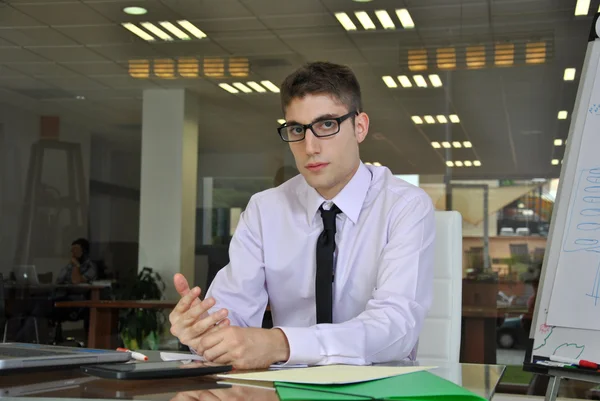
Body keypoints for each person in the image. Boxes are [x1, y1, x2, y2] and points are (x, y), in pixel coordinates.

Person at [169, 61, 435, 369]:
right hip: (284, 387)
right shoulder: (264, 210)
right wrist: (203, 330)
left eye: (326, 125)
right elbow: (232, 315)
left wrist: (281, 343)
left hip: (380, 388)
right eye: (297, 129)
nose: (309, 147)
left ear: (359, 127)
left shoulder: (405, 206)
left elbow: (396, 327)